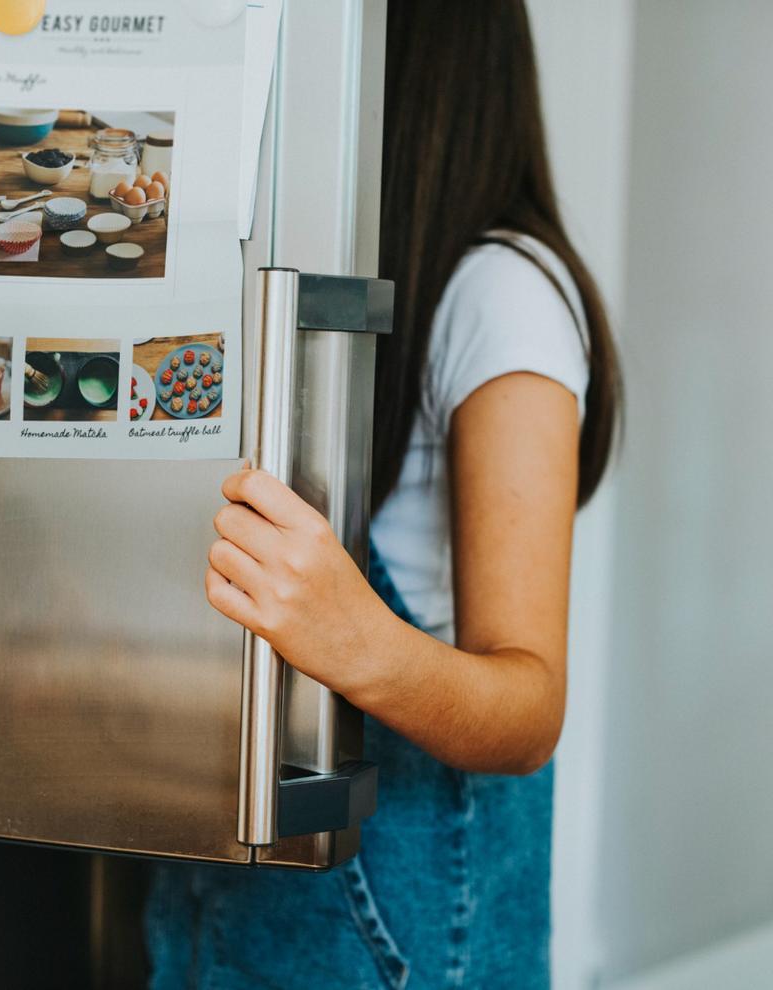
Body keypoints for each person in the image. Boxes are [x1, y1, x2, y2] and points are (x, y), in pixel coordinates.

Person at [144, 1, 621, 987]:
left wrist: (350, 635)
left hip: (390, 938)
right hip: (222, 907)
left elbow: (529, 706)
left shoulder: (503, 292)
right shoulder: (308, 283)